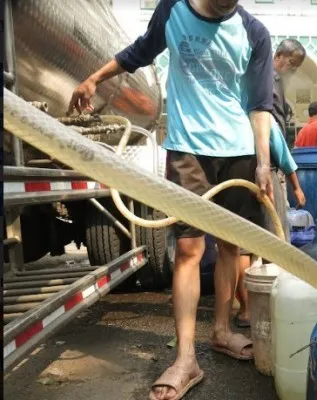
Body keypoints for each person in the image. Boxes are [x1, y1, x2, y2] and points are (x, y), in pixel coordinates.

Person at [69, 1, 274, 399]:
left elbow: (259, 104)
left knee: (232, 246)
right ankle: (185, 358)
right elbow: (138, 52)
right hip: (188, 149)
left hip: (239, 151)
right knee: (189, 249)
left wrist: (264, 162)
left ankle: (221, 330)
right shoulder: (173, 11)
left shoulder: (254, 32)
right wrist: (93, 79)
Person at [234, 39, 307, 328]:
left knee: (242, 243)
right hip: (265, 168)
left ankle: (244, 309)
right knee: (275, 241)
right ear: (277, 57)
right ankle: (267, 309)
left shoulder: (246, 78)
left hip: (236, 164)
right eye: (292, 64)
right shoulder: (271, 79)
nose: (292, 71)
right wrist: (294, 180)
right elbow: (272, 133)